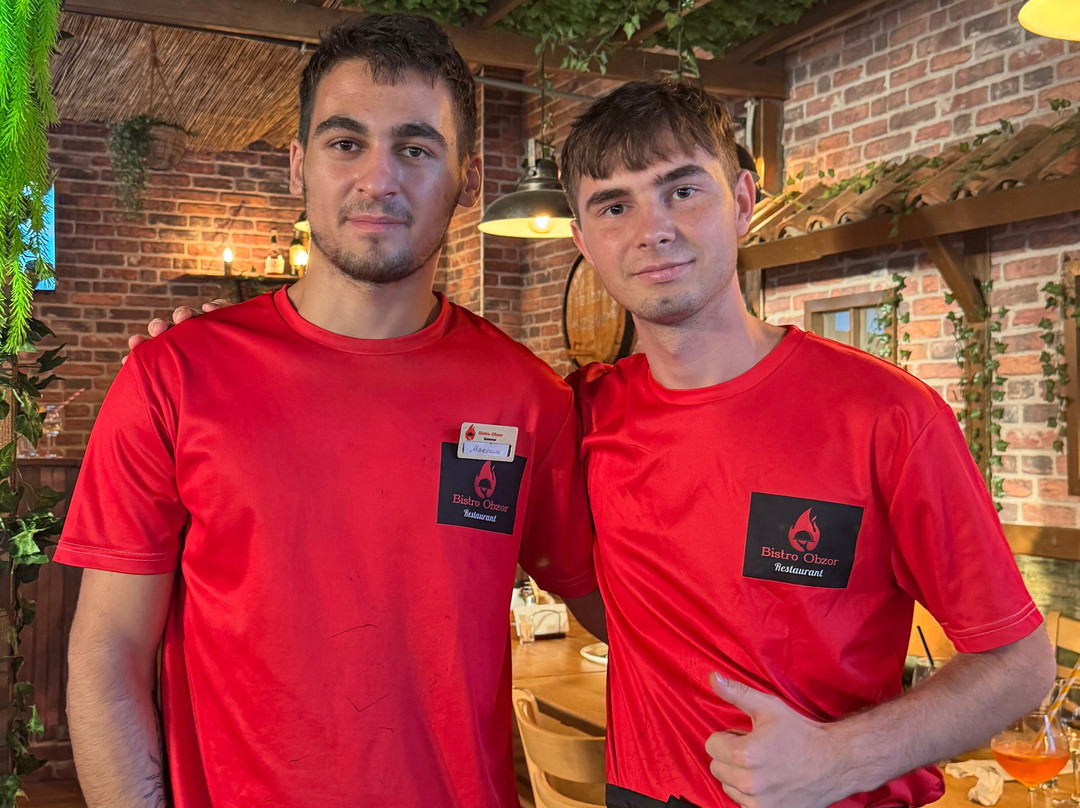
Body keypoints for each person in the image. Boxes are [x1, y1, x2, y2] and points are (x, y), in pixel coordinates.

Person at [57, 14, 601, 808]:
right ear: (297, 165)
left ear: (470, 178)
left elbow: (632, 617)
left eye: (416, 149)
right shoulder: (172, 378)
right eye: (346, 143)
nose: (379, 179)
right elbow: (107, 655)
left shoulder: (528, 401)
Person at [558, 78, 1056, 808]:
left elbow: (1020, 663)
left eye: (682, 190)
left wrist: (838, 758)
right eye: (613, 206)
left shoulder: (887, 416)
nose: (651, 229)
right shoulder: (580, 414)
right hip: (643, 795)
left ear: (742, 201)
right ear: (582, 241)